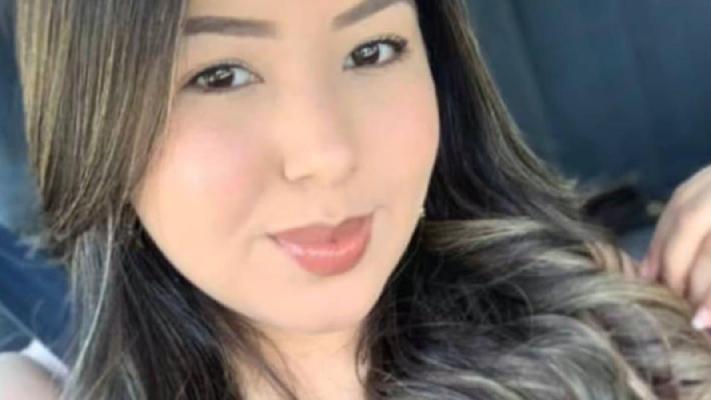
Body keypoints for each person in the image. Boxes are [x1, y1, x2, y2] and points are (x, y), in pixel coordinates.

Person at [5, 0, 711, 399]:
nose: (327, 154)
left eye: (371, 52)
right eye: (220, 75)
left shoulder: (583, 316)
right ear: (90, 117)